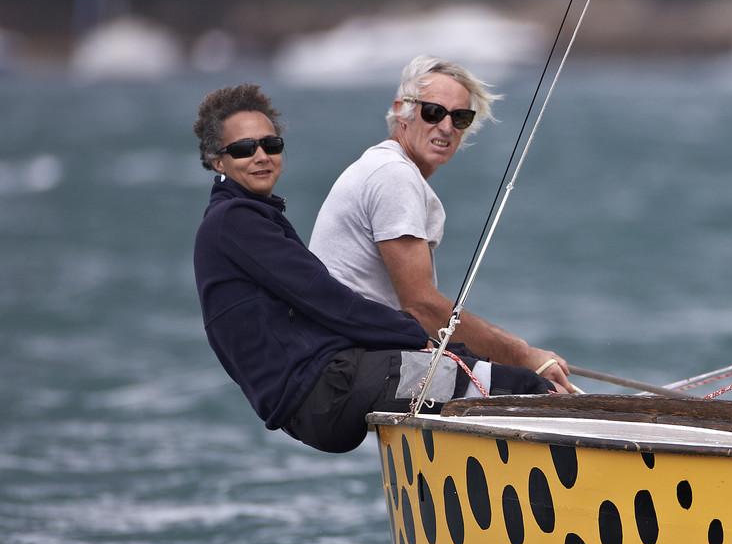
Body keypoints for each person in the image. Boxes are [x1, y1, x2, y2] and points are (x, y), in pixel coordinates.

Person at [191, 83, 556, 454]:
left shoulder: (245, 219)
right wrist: (417, 335)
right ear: (217, 160)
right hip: (326, 389)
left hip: (321, 390)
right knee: (522, 387)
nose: (261, 156)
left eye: (271, 145)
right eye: (243, 148)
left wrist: (441, 349)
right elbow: (327, 299)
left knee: (469, 367)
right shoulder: (235, 222)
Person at [309, 55, 574, 393]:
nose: (446, 128)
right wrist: (524, 356)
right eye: (433, 112)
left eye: (459, 117)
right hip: (347, 368)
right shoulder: (393, 175)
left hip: (354, 360)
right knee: (541, 389)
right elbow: (421, 307)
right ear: (402, 110)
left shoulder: (386, 167)